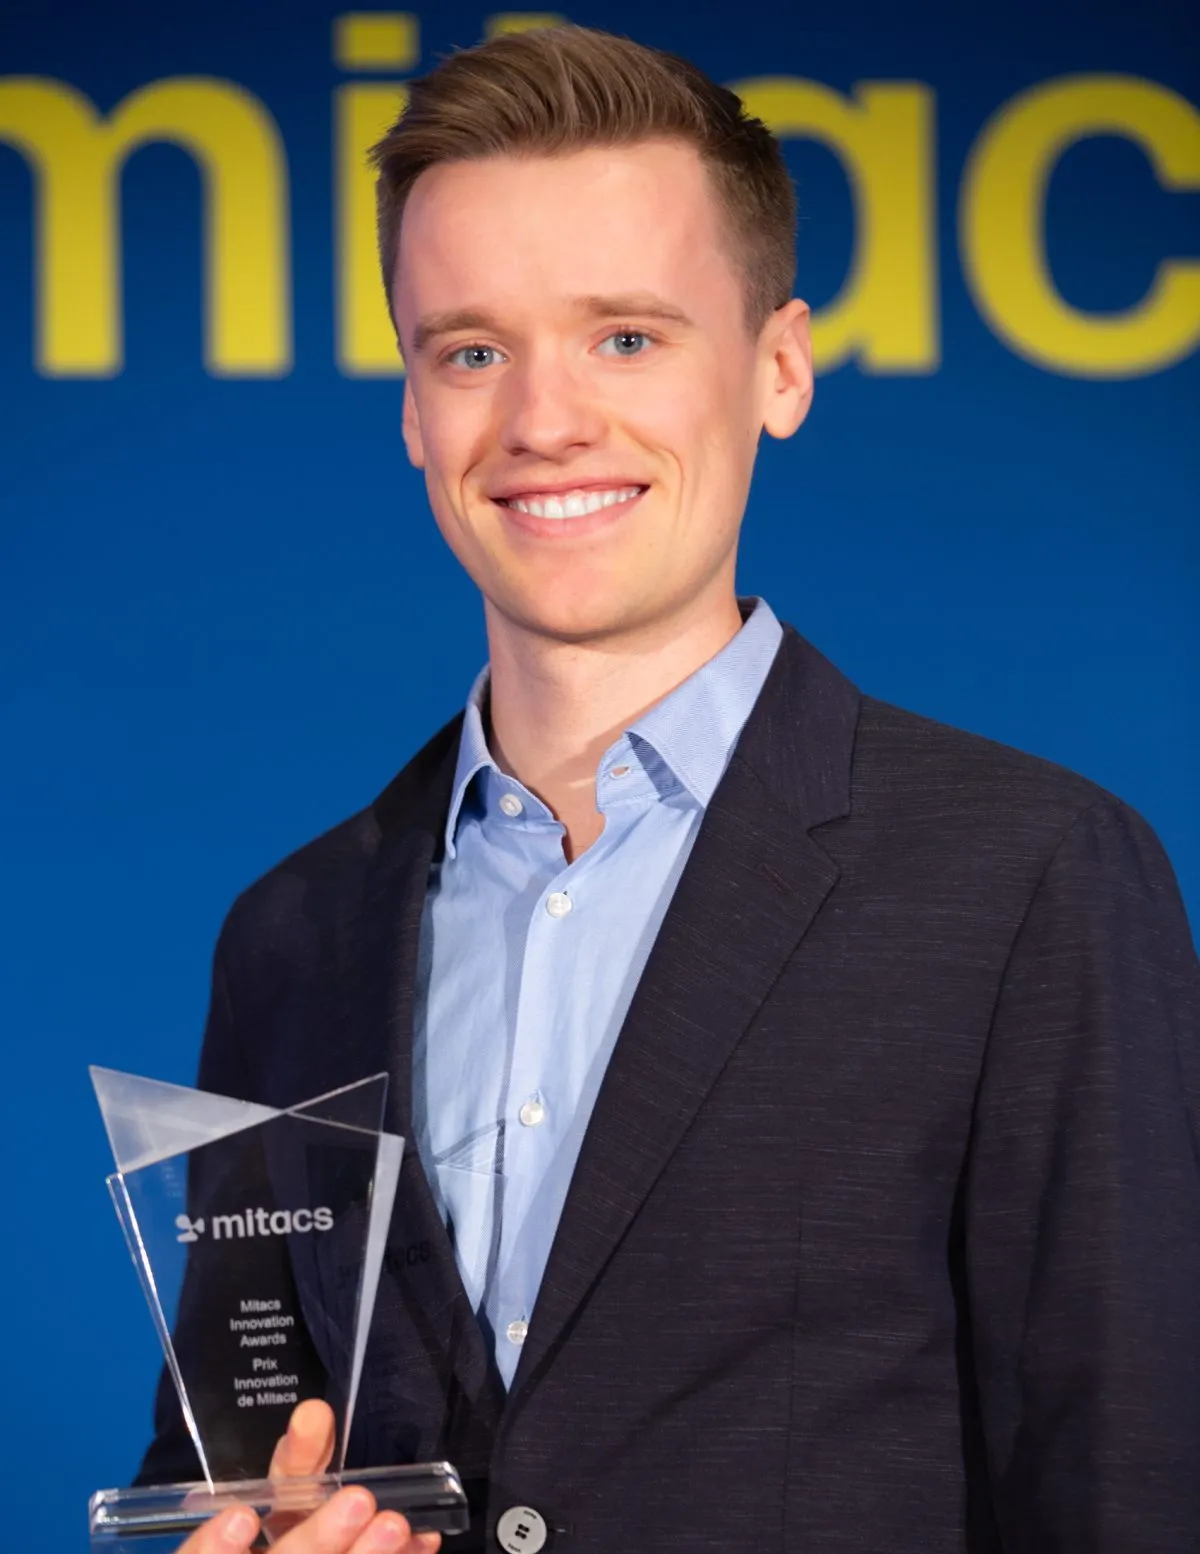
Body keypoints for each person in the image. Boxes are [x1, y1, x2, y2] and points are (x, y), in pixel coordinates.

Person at [158, 24, 1200, 1554]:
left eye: (627, 337)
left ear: (779, 370)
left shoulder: (1032, 881)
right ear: (410, 412)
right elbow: (218, 1464)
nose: (545, 420)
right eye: (472, 350)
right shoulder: (291, 938)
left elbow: (1136, 1489)